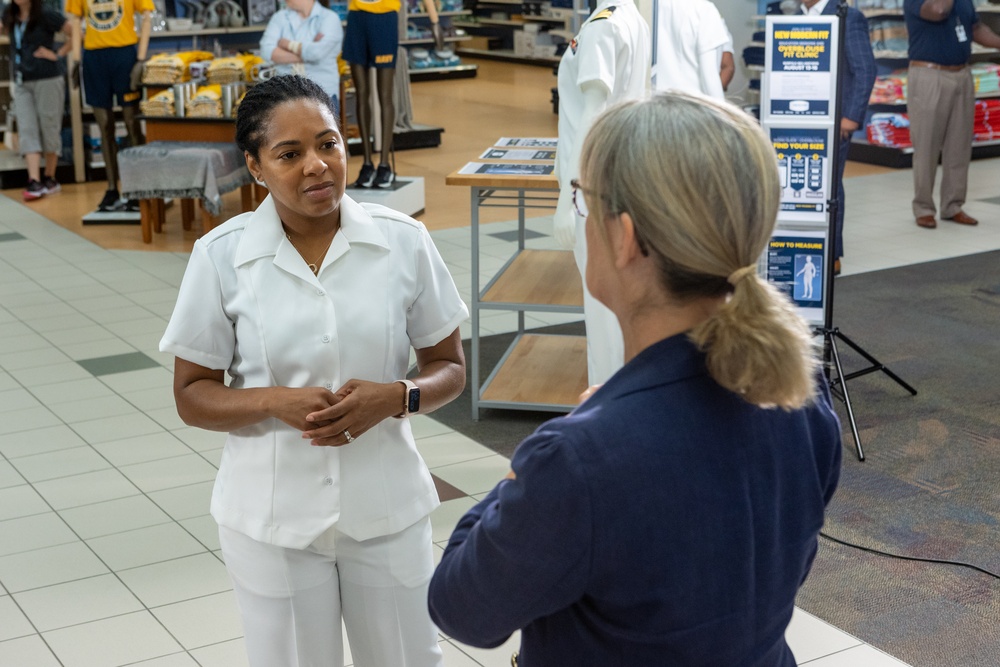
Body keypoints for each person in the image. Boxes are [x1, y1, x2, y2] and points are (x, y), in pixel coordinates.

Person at [429, 93, 843, 666]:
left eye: (581, 199)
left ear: (626, 237)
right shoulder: (801, 394)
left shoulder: (578, 458)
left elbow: (461, 608)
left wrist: (525, 469)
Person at [160, 75, 468, 667]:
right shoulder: (222, 258)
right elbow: (192, 395)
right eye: (289, 154)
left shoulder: (403, 242)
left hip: (385, 507)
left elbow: (448, 366)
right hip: (272, 519)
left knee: (407, 659)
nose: (317, 167)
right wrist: (272, 400)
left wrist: (398, 396)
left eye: (329, 144)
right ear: (255, 167)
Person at [553, 0, 650, 386]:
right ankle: (626, 399)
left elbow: (593, 112)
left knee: (602, 308)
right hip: (618, 176)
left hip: (592, 188)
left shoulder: (601, 27)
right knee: (618, 305)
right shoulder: (631, 20)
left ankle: (607, 406)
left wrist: (569, 196)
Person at [904, 0, 1000, 229]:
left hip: (961, 73)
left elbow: (975, 28)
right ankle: (924, 208)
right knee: (926, 145)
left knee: (959, 145)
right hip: (929, 75)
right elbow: (938, 11)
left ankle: (953, 205)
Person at [800, 0, 875, 276]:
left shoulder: (848, 17)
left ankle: (832, 253)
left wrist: (852, 116)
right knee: (805, 184)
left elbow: (865, 69)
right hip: (798, 119)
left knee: (830, 186)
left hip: (834, 120)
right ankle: (805, 244)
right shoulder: (795, 18)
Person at [343, 0, 443, 188]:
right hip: (357, 17)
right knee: (362, 94)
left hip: (385, 18)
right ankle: (366, 164)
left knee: (385, 95)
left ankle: (384, 164)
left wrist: (435, 21)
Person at [65, 0, 153, 212]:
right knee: (105, 126)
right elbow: (76, 22)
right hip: (94, 57)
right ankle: (112, 188)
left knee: (132, 124)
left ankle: (137, 188)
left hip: (124, 54)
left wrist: (140, 59)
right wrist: (76, 59)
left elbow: (147, 16)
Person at [1, 0, 71, 201]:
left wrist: (57, 54)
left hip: (48, 78)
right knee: (27, 128)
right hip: (23, 80)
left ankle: (50, 177)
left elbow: (75, 33)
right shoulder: (9, 15)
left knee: (49, 125)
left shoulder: (47, 15)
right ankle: (34, 180)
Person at [259, 0, 343, 116]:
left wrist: (287, 44)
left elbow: (317, 53)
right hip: (285, 95)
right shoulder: (279, 17)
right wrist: (307, 53)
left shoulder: (329, 18)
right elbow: (266, 51)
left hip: (324, 95)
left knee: (324, 134)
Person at [651, 0, 728, 100]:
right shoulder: (704, 10)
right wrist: (721, 113)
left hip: (656, 102)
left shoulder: (652, 5)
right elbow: (709, 78)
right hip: (692, 107)